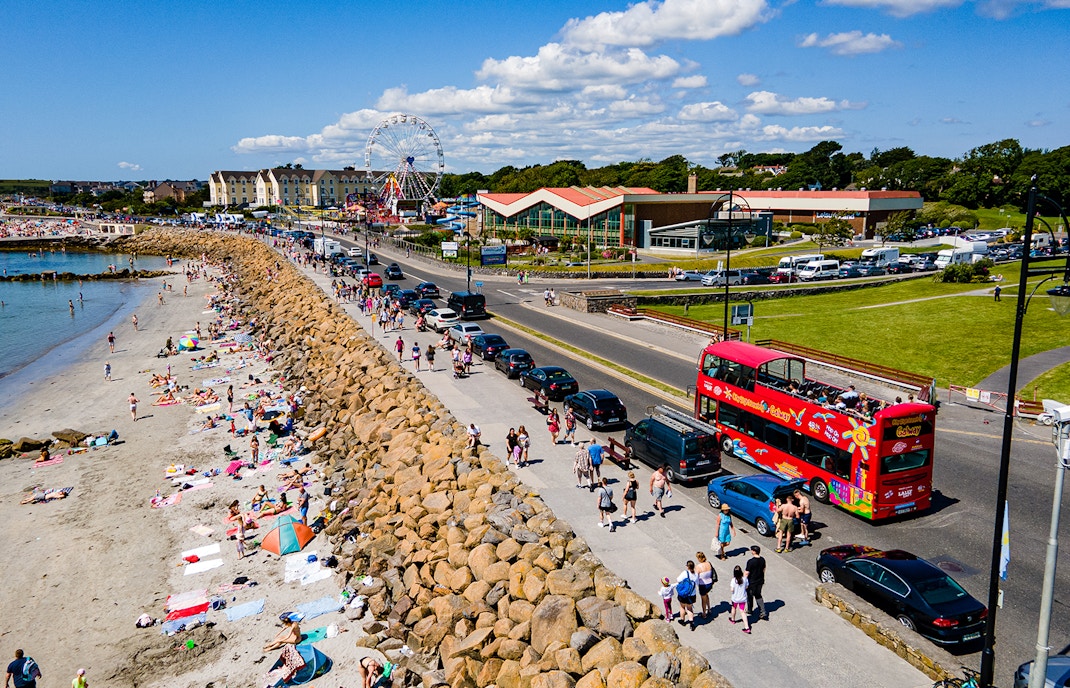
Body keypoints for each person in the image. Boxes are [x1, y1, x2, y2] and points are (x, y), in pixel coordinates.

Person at [744, 545, 768, 621]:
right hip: (760, 581)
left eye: (752, 550)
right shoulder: (763, 560)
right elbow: (764, 569)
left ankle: (750, 609)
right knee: (758, 595)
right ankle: (763, 611)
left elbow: (747, 573)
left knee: (750, 595)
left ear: (754, 551)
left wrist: (744, 581)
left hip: (752, 582)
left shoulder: (750, 562)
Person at [675, 560, 698, 631]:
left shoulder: (685, 573)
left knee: (682, 607)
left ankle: (682, 620)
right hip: (692, 594)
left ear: (687, 566)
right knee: (690, 608)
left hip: (684, 594)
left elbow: (678, 579)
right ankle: (692, 623)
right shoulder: (696, 574)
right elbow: (697, 583)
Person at [728, 565, 751, 634]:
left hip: (735, 598)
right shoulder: (745, 579)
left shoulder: (733, 580)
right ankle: (747, 627)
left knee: (733, 608)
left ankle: (733, 619)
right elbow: (747, 587)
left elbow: (732, 590)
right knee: (742, 612)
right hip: (742, 598)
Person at [694, 551, 717, 618]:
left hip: (703, 585)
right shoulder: (709, 563)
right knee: (706, 595)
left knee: (703, 599)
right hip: (709, 583)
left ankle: (704, 614)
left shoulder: (698, 567)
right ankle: (709, 609)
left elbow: (696, 577)